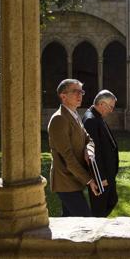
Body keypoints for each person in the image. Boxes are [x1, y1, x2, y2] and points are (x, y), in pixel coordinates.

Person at [48, 79, 99, 217]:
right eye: (75, 92)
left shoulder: (74, 114)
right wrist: (89, 180)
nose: (80, 95)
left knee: (68, 223)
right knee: (86, 221)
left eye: (81, 91)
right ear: (63, 96)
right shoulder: (59, 119)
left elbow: (88, 139)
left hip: (74, 180)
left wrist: (89, 150)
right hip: (65, 181)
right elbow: (67, 157)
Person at [82, 89, 119, 217]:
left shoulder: (98, 116)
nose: (111, 110)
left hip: (108, 173)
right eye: (110, 107)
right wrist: (100, 178)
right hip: (101, 175)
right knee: (99, 209)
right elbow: (93, 154)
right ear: (102, 104)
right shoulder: (91, 120)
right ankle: (95, 231)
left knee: (112, 200)